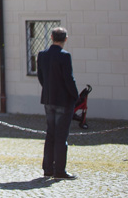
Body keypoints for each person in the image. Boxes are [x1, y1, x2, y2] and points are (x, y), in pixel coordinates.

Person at [37, 26, 78, 179]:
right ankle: (59, 170)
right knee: (61, 136)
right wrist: (75, 96)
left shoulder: (42, 55)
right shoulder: (65, 56)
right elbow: (69, 79)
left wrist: (47, 89)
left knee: (50, 134)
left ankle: (48, 168)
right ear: (65, 39)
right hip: (63, 100)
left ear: (52, 38)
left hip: (48, 98)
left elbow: (40, 76)